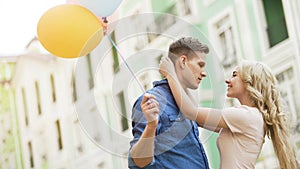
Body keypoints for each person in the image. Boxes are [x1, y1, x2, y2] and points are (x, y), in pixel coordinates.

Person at [159, 58, 300, 169]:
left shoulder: (246, 116)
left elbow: (190, 112)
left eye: (234, 75)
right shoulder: (250, 118)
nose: (228, 80)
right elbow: (198, 119)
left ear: (249, 82)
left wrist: (170, 74)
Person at [128, 37, 210, 169]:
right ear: (183, 61)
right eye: (200, 65)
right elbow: (137, 162)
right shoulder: (153, 101)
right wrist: (151, 126)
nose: (204, 73)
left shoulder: (186, 102)